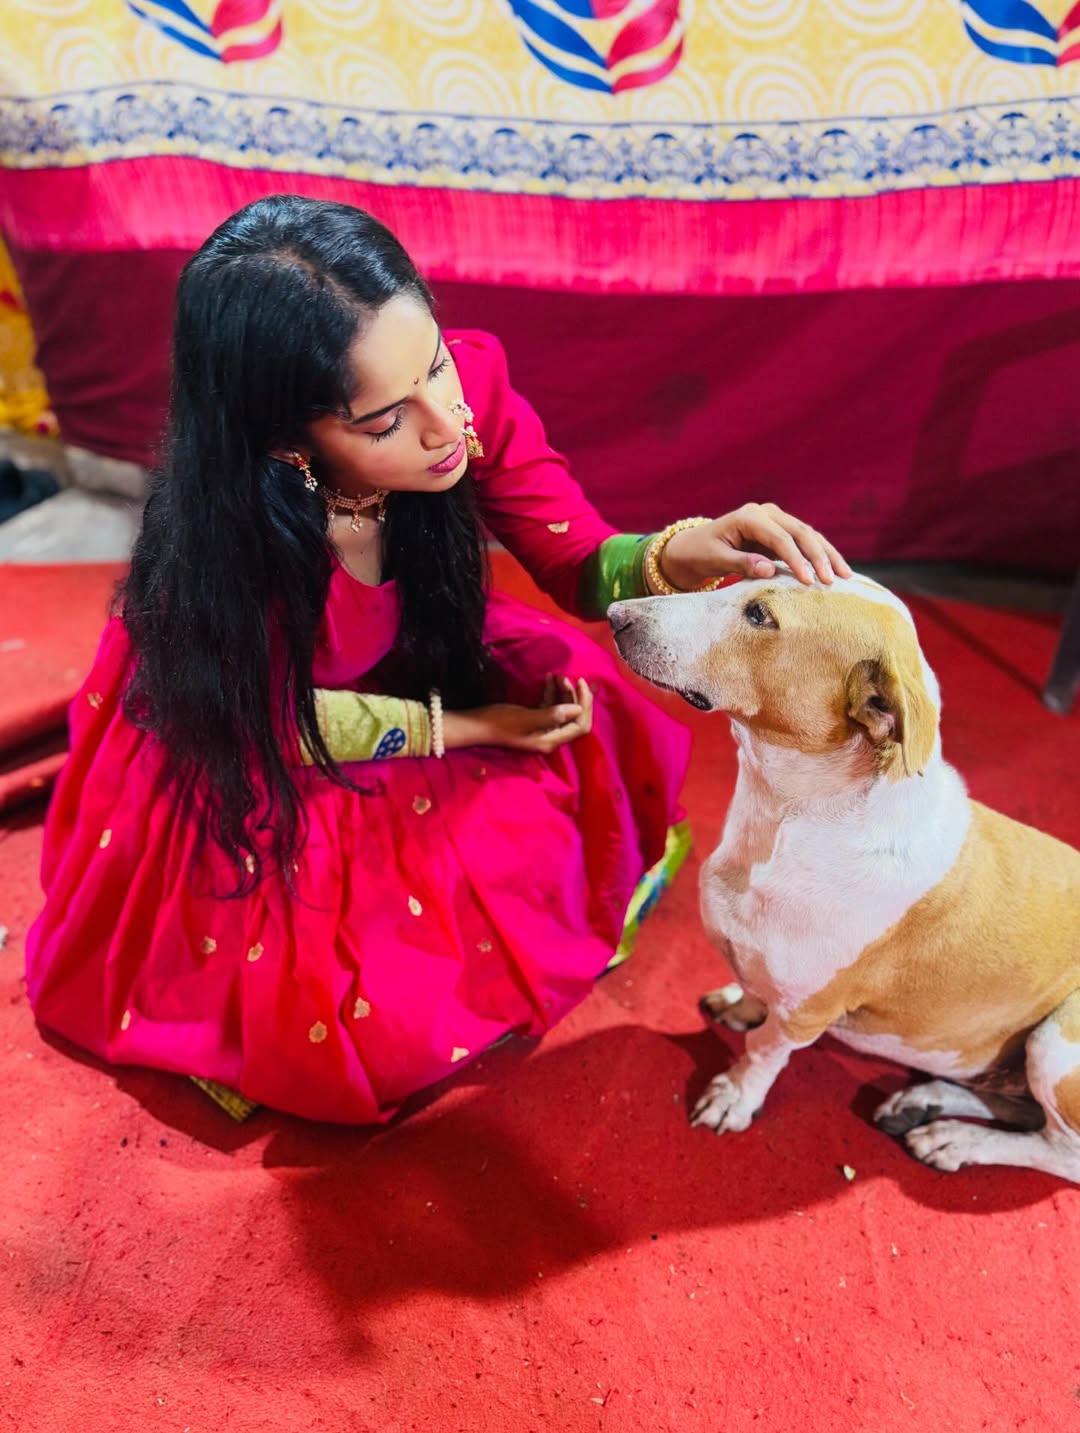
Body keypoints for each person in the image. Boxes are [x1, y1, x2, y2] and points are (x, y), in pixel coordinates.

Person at [25, 195, 850, 1124]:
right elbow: (281, 725)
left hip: (413, 650)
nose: (444, 423)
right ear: (287, 443)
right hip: (269, 725)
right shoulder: (236, 545)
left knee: (587, 701)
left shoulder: (462, 401)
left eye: (438, 363)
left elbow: (574, 553)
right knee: (354, 993)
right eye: (384, 422)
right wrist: (465, 726)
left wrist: (683, 547)